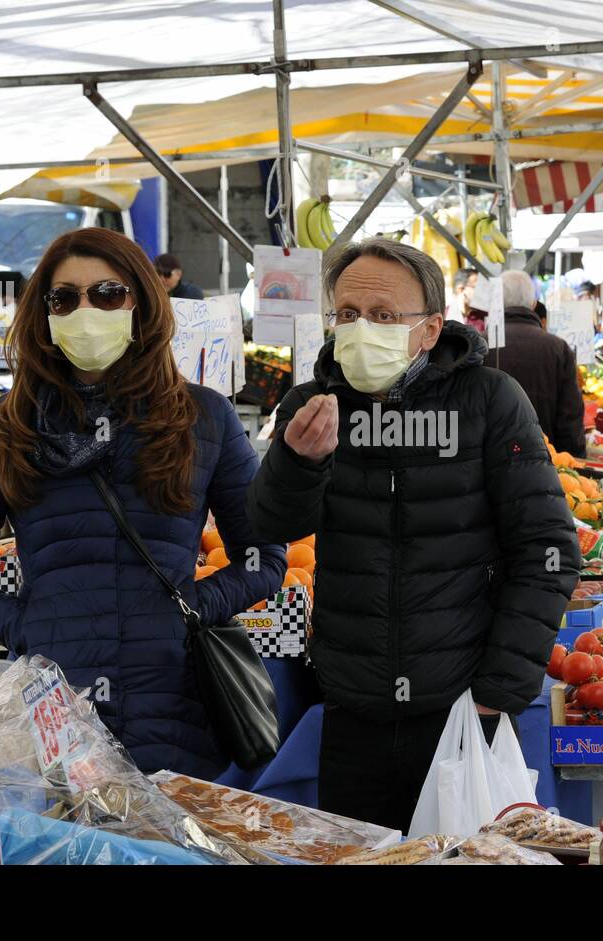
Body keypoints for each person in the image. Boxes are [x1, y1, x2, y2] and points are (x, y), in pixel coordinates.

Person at [244, 238, 580, 832]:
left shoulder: (489, 400)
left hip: (458, 707)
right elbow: (271, 527)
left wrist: (497, 690)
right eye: (347, 314)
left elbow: (547, 552)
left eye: (381, 316)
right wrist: (299, 462)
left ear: (429, 330)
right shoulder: (313, 404)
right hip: (352, 708)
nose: (360, 328)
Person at [0, 228, 285, 778]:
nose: (84, 309)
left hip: (172, 695)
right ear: (43, 315)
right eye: (64, 298)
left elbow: (264, 558)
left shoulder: (204, 417)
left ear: (141, 303)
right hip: (54, 699)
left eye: (107, 293)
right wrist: (31, 628)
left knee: (170, 852)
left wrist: (186, 612)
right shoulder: (7, 426)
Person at [483, 270, 586, 456]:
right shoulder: (558, 348)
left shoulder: (480, 345)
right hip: (546, 460)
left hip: (488, 458)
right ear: (533, 303)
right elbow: (570, 417)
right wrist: (575, 463)